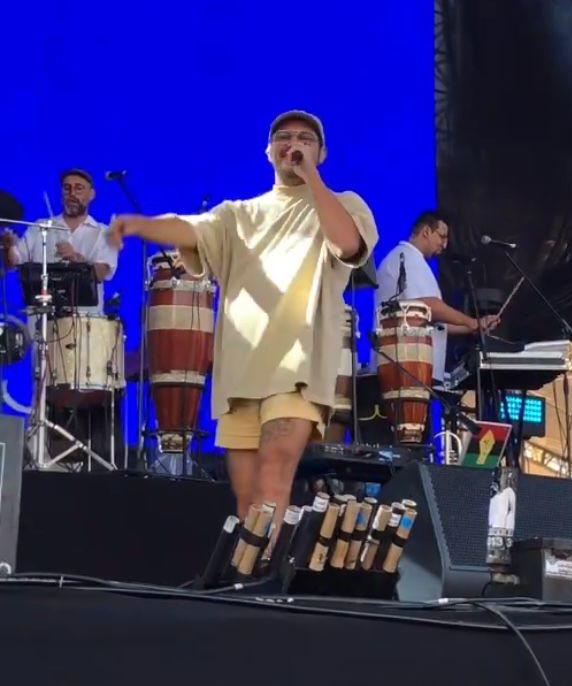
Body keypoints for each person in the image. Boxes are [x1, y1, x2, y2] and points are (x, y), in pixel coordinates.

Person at [107, 110, 378, 524]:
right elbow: (189, 228)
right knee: (247, 498)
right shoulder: (237, 214)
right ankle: (247, 575)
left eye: (306, 139)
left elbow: (347, 246)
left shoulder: (344, 204)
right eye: (284, 137)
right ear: (268, 151)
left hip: (299, 370)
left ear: (322, 153)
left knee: (274, 477)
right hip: (242, 372)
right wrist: (138, 225)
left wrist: (312, 181)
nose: (294, 144)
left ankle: (262, 583)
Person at [375, 211, 499, 384]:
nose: (445, 245)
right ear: (426, 231)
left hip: (413, 366)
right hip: (406, 366)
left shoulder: (411, 259)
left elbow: (435, 323)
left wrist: (475, 327)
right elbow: (430, 307)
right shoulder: (408, 258)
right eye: (442, 237)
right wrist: (471, 322)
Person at [1, 168, 118, 313]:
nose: (72, 194)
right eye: (67, 188)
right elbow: (13, 263)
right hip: (42, 321)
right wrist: (9, 247)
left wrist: (76, 259)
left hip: (86, 323)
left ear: (91, 195)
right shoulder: (40, 227)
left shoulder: (104, 233)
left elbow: (102, 272)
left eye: (79, 188)